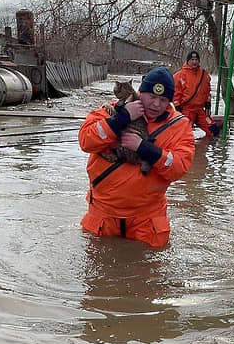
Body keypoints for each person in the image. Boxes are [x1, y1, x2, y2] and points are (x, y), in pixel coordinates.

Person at [78, 66, 195, 248]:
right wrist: (122, 118)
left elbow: (179, 167)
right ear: (141, 92)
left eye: (163, 100)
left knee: (148, 273)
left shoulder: (179, 125)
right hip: (102, 215)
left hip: (147, 220)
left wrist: (143, 148)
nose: (156, 104)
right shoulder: (112, 109)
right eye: (152, 97)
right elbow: (86, 141)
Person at [173, 50, 221, 137]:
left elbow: (207, 91)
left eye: (196, 59)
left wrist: (208, 104)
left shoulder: (204, 75)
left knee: (214, 131)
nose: (194, 62)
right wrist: (178, 109)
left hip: (200, 111)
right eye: (192, 59)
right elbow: (176, 94)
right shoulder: (179, 76)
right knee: (185, 136)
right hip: (186, 111)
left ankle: (205, 148)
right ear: (188, 61)